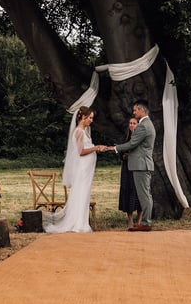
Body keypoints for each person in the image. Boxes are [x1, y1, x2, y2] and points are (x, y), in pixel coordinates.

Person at [44, 106, 104, 233]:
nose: (91, 120)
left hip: (86, 169)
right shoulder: (79, 132)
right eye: (90, 118)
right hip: (82, 169)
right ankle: (78, 223)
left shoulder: (83, 131)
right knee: (81, 193)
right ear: (83, 117)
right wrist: (96, 147)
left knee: (84, 194)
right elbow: (81, 151)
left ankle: (81, 222)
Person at [113, 100, 156, 231]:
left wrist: (114, 148)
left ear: (142, 110)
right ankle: (145, 222)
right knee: (146, 195)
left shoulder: (143, 126)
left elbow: (132, 143)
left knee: (144, 196)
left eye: (135, 110)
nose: (134, 112)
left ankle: (146, 223)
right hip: (142, 164)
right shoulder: (147, 124)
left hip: (141, 165)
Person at [117, 117, 142, 229]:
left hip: (139, 168)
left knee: (139, 193)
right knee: (128, 192)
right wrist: (124, 156)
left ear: (138, 125)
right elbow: (120, 152)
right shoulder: (125, 138)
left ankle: (140, 220)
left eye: (134, 123)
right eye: (130, 123)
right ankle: (130, 220)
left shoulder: (142, 137)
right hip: (127, 169)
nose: (132, 125)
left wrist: (132, 155)